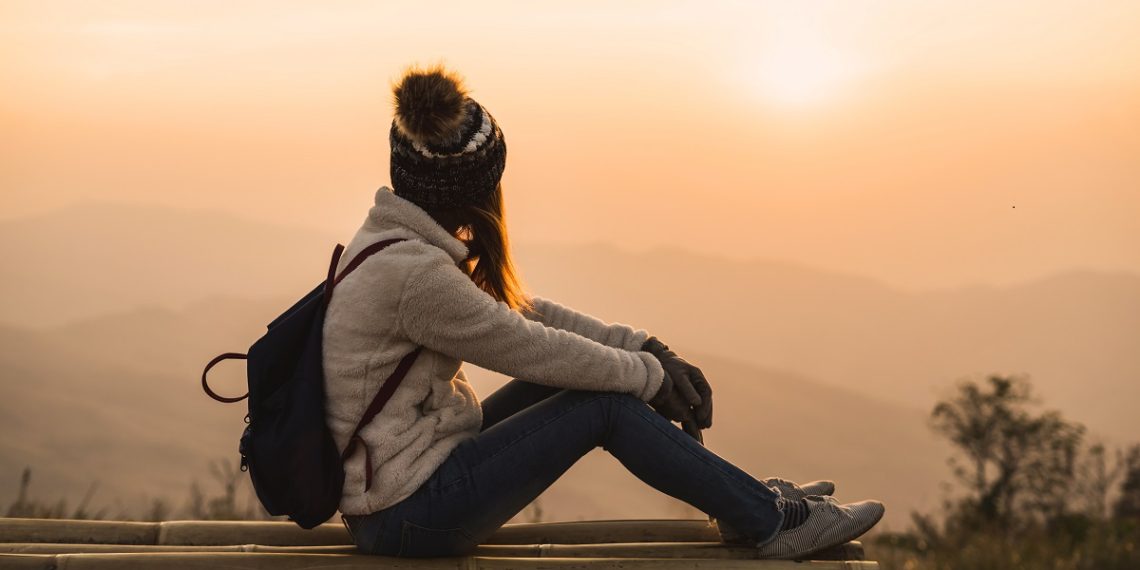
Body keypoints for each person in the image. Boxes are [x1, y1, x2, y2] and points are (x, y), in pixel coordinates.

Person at [325, 64, 884, 559]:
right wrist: (649, 377)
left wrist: (642, 348)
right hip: (409, 515)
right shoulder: (418, 277)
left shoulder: (396, 245)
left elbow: (524, 315)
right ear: (472, 189)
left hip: (405, 487)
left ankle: (746, 504)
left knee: (588, 381)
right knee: (605, 407)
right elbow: (528, 346)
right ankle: (768, 522)